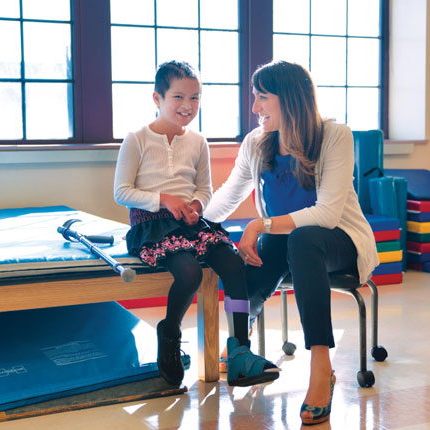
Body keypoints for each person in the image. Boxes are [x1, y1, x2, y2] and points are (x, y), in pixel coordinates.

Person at [203, 60, 379, 426]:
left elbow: (328, 214)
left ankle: (321, 365)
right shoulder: (256, 142)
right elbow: (230, 194)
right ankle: (239, 339)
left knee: (302, 239)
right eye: (255, 98)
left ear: (291, 99)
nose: (255, 109)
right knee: (238, 267)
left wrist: (261, 223)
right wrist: (194, 220)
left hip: (337, 244)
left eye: (262, 98)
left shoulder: (335, 136)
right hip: (286, 243)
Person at [114, 60, 280, 388]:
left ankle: (239, 352)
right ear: (157, 98)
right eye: (179, 97)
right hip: (153, 225)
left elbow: (204, 188)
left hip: (191, 223)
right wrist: (165, 200)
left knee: (233, 266)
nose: (188, 106)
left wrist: (195, 205)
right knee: (189, 272)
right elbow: (122, 192)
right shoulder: (136, 139)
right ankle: (170, 332)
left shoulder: (198, 142)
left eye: (195, 98)